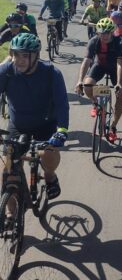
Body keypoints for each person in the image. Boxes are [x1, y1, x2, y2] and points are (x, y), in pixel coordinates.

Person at [0, 33, 69, 200]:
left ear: (36, 56)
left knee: (48, 155)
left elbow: (62, 105)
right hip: (18, 124)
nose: (19, 60)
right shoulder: (6, 71)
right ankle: (9, 217)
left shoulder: (52, 73)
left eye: (25, 55)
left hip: (44, 124)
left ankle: (50, 176)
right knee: (9, 172)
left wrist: (61, 130)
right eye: (16, 54)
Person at [75, 19, 122, 144]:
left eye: (106, 33)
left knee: (121, 95)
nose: (103, 36)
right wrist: (80, 81)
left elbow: (120, 63)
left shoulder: (120, 42)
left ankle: (113, 126)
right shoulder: (94, 41)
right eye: (101, 33)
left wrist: (119, 83)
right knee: (87, 85)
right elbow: (87, 61)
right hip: (100, 65)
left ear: (112, 32)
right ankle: (95, 103)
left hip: (116, 68)